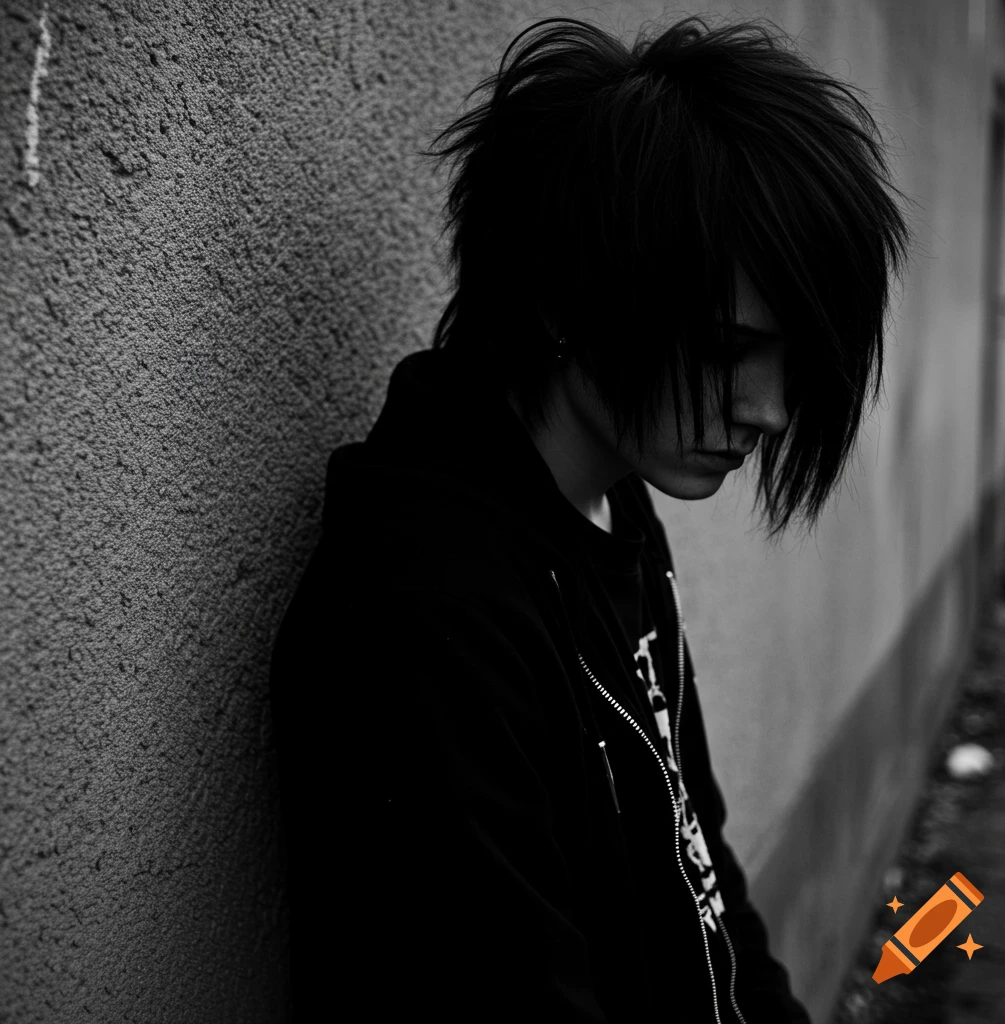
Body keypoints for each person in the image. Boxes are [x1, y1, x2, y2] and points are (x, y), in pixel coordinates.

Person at [270, 13, 911, 1022]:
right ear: (566, 294)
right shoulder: (428, 602)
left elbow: (698, 867)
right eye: (725, 347)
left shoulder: (614, 508)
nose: (769, 409)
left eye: (789, 360)